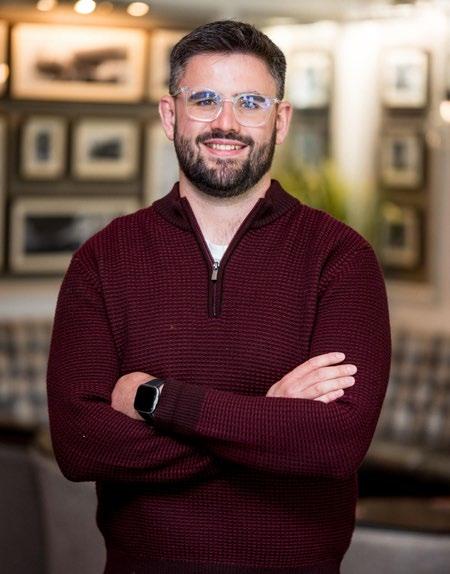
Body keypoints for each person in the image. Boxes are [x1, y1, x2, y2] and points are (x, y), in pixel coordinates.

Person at [47, 20, 391, 574]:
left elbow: (335, 444)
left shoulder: (341, 257)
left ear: (280, 120)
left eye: (250, 102)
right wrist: (267, 422)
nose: (226, 123)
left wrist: (157, 401)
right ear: (170, 115)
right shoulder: (103, 258)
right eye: (204, 100)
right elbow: (79, 445)